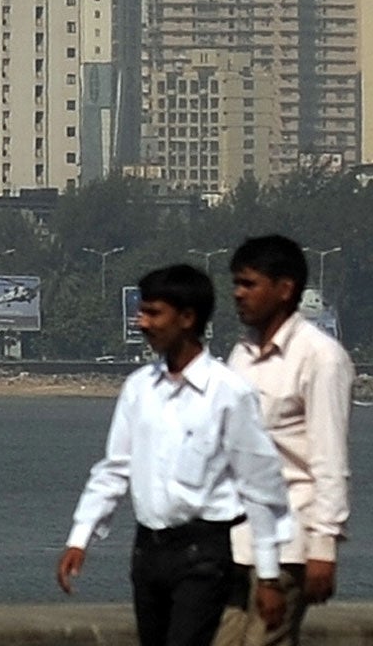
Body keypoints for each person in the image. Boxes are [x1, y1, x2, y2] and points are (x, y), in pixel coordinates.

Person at [58, 264, 292, 646]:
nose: (142, 323)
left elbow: (259, 483)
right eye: (141, 312)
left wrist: (267, 575)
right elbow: (115, 468)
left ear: (187, 318)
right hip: (148, 552)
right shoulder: (139, 389)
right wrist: (80, 537)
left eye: (153, 313)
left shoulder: (229, 392)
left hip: (203, 554)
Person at [213, 235, 355, 646]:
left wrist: (323, 547)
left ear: (285, 288)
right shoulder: (241, 355)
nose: (239, 295)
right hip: (235, 539)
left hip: (289, 540)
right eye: (236, 284)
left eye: (249, 284)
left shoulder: (320, 358)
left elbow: (329, 458)